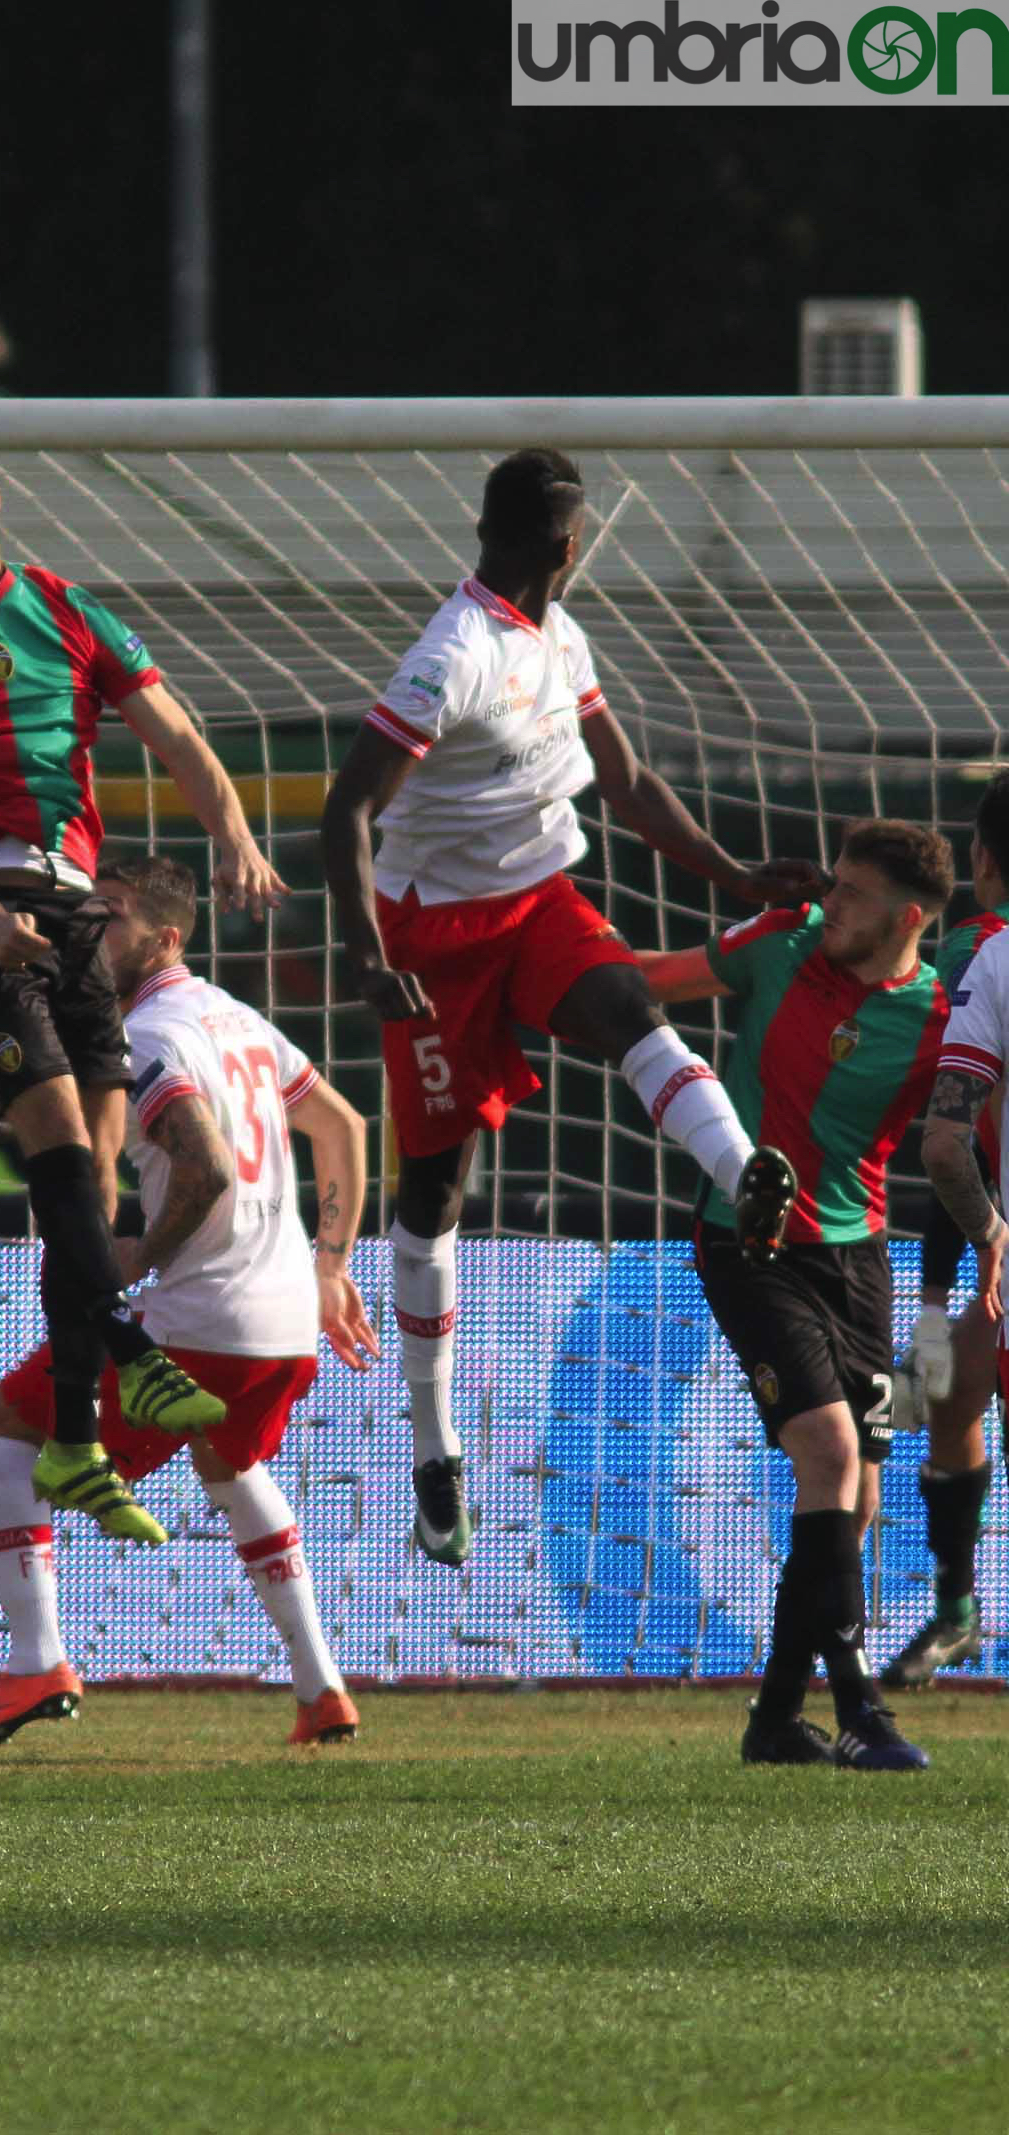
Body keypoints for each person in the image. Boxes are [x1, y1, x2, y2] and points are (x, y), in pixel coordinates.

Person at [321, 447, 824, 1569]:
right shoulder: (452, 654)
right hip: (434, 935)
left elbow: (630, 786)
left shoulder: (563, 636)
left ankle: (745, 1175)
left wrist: (738, 875)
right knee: (435, 1193)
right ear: (567, 540)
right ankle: (434, 1448)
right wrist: (364, 954)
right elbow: (348, 805)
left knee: (631, 1008)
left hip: (539, 896)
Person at [0, 398, 286, 1548]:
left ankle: (80, 1442)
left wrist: (232, 826)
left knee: (91, 1183)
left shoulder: (63, 607)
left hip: (74, 912)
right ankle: (134, 1358)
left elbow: (180, 739)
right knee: (52, 1147)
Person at [0, 854, 379, 1748]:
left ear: (166, 937)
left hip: (206, 1315)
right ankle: (323, 1687)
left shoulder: (146, 1036)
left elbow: (206, 1162)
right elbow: (343, 1124)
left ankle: (37, 1664)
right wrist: (330, 1264)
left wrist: (139, 1258)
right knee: (230, 1467)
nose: (85, 933)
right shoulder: (239, 1019)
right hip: (288, 1316)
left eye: (106, 917)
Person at [640, 821, 955, 1770]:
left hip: (862, 1261)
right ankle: (860, 1708)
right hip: (749, 1239)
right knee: (830, 1448)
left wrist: (957, 1279)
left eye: (852, 894)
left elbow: (965, 1140)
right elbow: (644, 983)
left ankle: (777, 1717)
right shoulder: (780, 946)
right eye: (833, 884)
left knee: (853, 1494)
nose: (831, 904)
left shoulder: (941, 1014)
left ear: (906, 919)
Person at [882, 775, 1009, 1686]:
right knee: (957, 1391)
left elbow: (947, 1135)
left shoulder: (980, 953)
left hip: (983, 1228)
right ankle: (959, 1612)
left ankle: (956, 1609)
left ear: (981, 861)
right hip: (985, 1234)